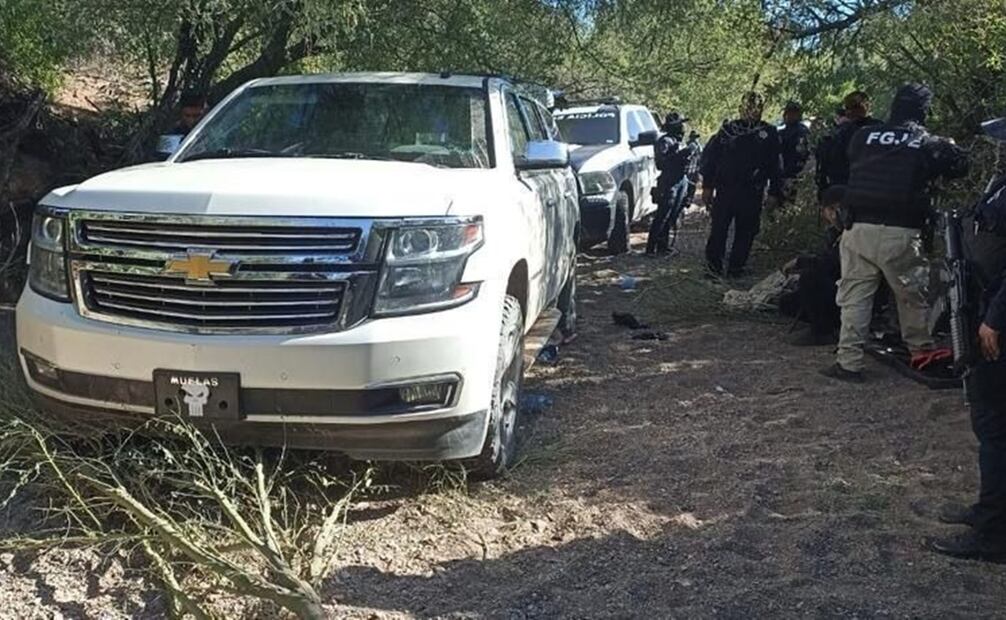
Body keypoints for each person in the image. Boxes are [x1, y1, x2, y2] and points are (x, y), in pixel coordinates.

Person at [821, 83, 969, 382]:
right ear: (923, 110)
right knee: (912, 297)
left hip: (857, 229)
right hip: (901, 233)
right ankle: (921, 352)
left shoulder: (864, 136)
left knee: (854, 298)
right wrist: (950, 146)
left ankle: (848, 362)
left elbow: (851, 159)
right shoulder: (926, 142)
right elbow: (960, 165)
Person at [932, 117, 1006, 561]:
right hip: (983, 307)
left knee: (996, 428)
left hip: (996, 321)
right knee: (989, 423)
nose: (998, 150)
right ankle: (988, 512)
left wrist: (995, 319)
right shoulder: (1000, 186)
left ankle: (994, 533)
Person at [700, 91, 783, 277]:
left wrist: (774, 192)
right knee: (718, 229)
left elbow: (775, 164)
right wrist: (707, 186)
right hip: (726, 190)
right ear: (740, 109)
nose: (751, 111)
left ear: (761, 110)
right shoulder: (728, 130)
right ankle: (713, 268)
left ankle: (736, 268)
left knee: (746, 231)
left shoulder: (768, 132)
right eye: (748, 107)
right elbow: (711, 159)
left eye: (755, 107)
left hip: (752, 191)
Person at [783, 184, 846, 346]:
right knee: (787, 303)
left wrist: (800, 262)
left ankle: (822, 331)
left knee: (810, 278)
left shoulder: (852, 232)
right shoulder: (834, 232)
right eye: (830, 209)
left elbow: (831, 263)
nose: (833, 215)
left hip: (849, 291)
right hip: (837, 288)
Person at [815, 91, 882, 198]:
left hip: (849, 189)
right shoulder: (880, 129)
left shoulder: (838, 133)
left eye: (855, 106)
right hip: (869, 190)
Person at [646, 112, 690, 255]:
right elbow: (661, 163)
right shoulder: (664, 141)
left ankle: (663, 246)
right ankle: (651, 249)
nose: (683, 128)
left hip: (680, 180)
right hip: (669, 182)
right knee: (662, 215)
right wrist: (679, 155)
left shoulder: (679, 141)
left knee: (672, 215)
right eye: (680, 125)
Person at [153, 91, 208, 161]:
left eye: (196, 116)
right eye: (187, 116)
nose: (192, 120)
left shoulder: (212, 130)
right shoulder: (171, 134)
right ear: (181, 114)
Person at [779, 101, 811, 180]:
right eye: (787, 113)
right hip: (785, 171)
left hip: (796, 172)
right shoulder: (783, 132)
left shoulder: (801, 131)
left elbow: (803, 153)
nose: (788, 116)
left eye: (792, 113)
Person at [682, 130, 703, 211]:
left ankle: (686, 204)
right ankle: (685, 204)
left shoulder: (695, 146)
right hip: (690, 170)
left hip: (693, 170)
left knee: (690, 188)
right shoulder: (692, 146)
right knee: (689, 188)